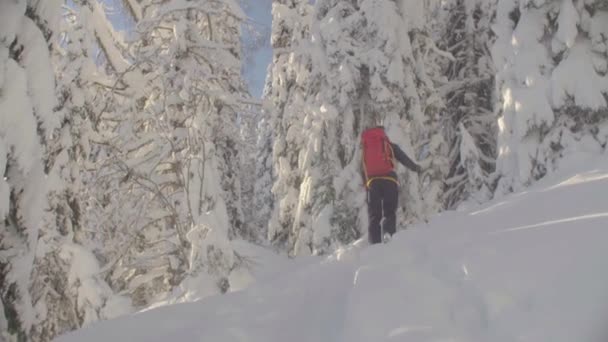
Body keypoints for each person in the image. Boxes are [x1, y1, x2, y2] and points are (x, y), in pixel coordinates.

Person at [360, 126, 421, 244]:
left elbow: (362, 167)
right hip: (389, 180)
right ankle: (389, 236)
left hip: (372, 182)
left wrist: (366, 185)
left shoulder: (365, 148)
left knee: (374, 215)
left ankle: (374, 243)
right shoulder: (388, 145)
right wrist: (415, 168)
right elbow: (403, 158)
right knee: (389, 212)